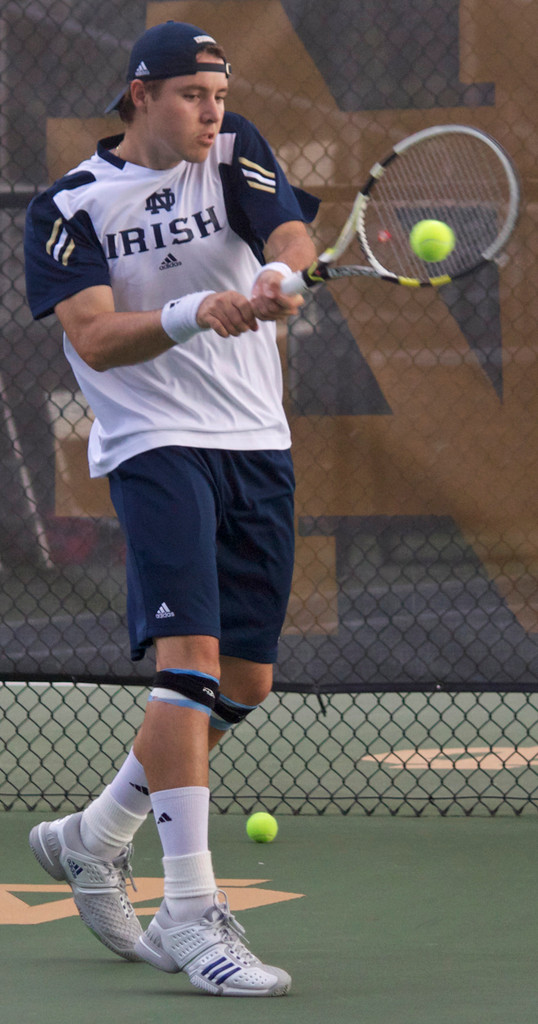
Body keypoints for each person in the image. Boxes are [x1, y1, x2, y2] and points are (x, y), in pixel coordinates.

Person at [24, 20, 318, 997]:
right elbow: (98, 338)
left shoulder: (234, 155)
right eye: (194, 95)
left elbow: (289, 231)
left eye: (221, 96)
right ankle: (191, 912)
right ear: (140, 94)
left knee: (244, 683)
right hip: (152, 446)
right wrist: (199, 311)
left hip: (255, 444)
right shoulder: (70, 206)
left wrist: (280, 272)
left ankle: (94, 834)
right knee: (186, 664)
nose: (212, 113)